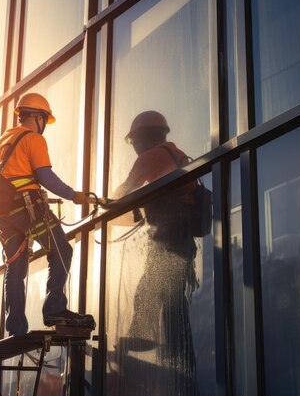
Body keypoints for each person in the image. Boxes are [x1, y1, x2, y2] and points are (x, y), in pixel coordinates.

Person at [0, 92, 95, 336]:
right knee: (61, 251)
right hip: (30, 209)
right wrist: (74, 195)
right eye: (44, 120)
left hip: (4, 217)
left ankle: (15, 327)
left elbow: (10, 179)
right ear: (38, 117)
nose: (44, 126)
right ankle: (55, 308)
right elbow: (45, 176)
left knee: (16, 267)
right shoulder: (33, 139)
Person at [114, 110, 198, 394]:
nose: (135, 146)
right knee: (174, 304)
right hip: (181, 238)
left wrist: (102, 207)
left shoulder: (151, 157)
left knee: (150, 286)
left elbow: (126, 190)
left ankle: (143, 335)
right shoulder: (176, 155)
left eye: (135, 140)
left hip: (169, 235)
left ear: (145, 136)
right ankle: (180, 359)